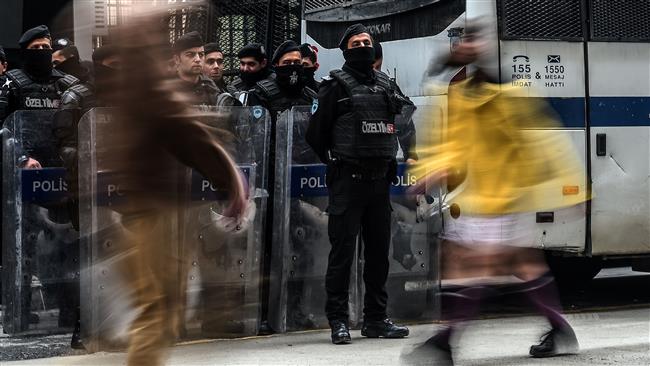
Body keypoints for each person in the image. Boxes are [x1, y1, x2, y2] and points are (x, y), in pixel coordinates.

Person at [401, 24, 585, 365]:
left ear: (482, 48)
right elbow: (455, 145)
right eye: (460, 40)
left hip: (503, 198)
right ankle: (559, 330)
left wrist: (571, 188)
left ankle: (445, 343)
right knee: (521, 264)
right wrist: (432, 171)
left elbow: (545, 141)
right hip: (478, 196)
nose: (462, 45)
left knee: (470, 264)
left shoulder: (509, 95)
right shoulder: (463, 94)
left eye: (470, 40)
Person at [99, 9, 250, 365]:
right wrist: (231, 182)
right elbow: (189, 136)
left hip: (143, 212)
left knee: (159, 310)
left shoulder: (131, 86)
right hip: (154, 215)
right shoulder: (149, 87)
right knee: (159, 313)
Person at [306, 23, 410, 345]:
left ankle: (376, 319)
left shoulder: (386, 84)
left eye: (367, 41)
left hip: (379, 183)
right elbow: (315, 133)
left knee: (379, 255)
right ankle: (338, 321)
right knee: (343, 255)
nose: (363, 46)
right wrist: (337, 161)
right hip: (348, 181)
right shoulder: (334, 86)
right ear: (346, 50)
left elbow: (402, 121)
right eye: (357, 42)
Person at [0, 25, 79, 168]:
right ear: (25, 52)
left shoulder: (68, 84)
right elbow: (3, 128)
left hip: (62, 164)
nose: (41, 51)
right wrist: (21, 158)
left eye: (45, 47)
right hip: (22, 165)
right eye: (35, 48)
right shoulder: (9, 83)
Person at [372, 41, 418, 164]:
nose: (373, 71)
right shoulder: (344, 86)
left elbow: (405, 124)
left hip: (386, 160)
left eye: (375, 66)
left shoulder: (390, 87)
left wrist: (411, 155)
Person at [248, 40, 317, 116]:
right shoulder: (260, 94)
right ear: (277, 65)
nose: (292, 66)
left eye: (297, 62)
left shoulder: (310, 96)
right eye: (287, 63)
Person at [172, 31, 224, 107]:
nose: (198, 59)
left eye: (201, 54)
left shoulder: (210, 87)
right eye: (190, 55)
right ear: (177, 59)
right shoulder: (167, 87)